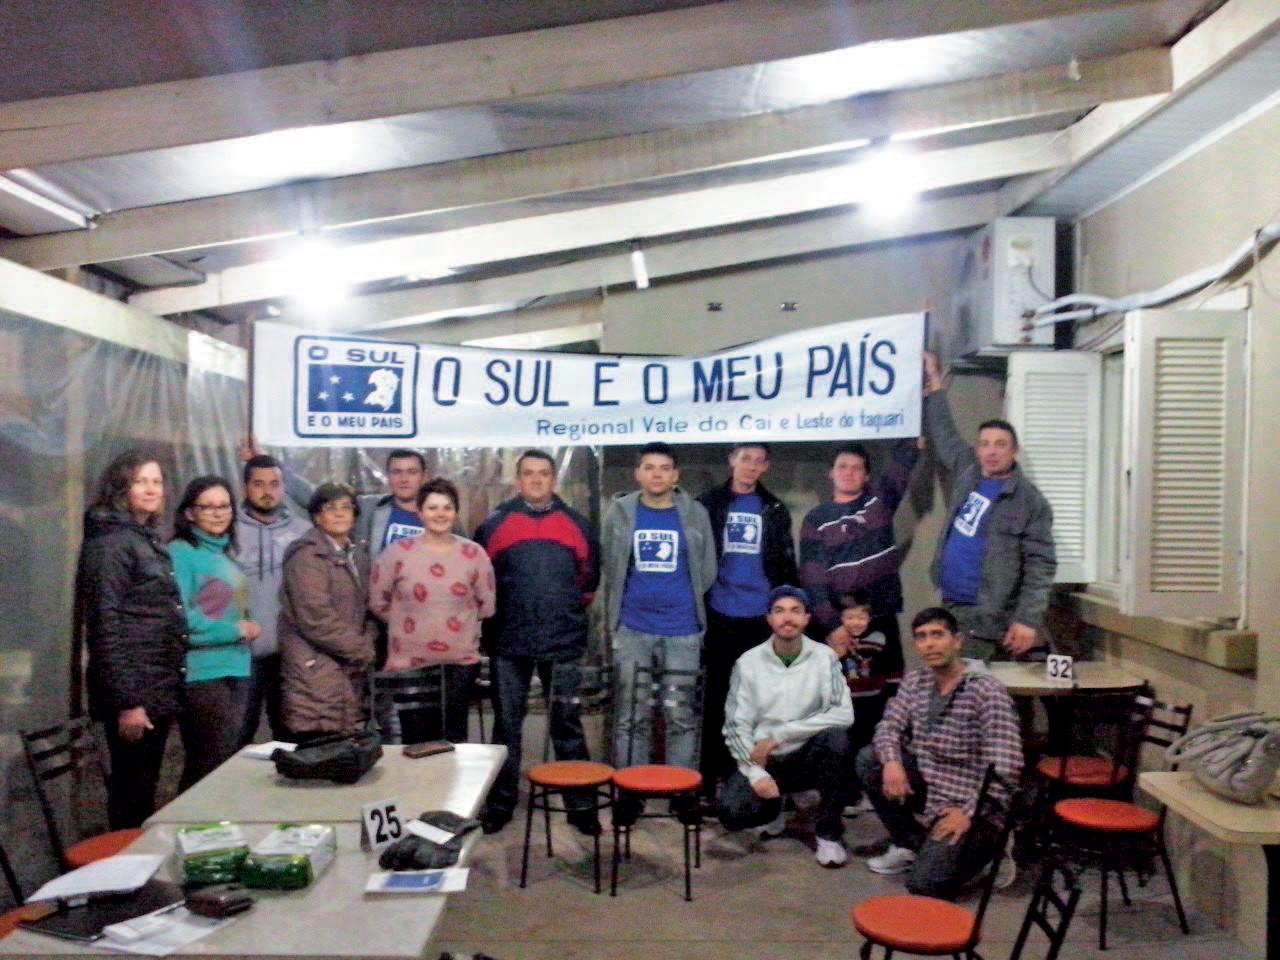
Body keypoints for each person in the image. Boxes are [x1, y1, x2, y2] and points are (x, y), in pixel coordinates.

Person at [472, 450, 601, 836]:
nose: (536, 480)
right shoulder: (495, 525)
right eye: (528, 474)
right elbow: (483, 580)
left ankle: (581, 806)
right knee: (507, 728)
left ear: (553, 479)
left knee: (567, 725)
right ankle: (500, 805)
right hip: (509, 644)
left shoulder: (577, 525)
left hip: (562, 643)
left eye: (543, 473)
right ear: (518, 480)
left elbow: (588, 583)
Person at [855, 607, 1022, 899]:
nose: (929, 644)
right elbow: (888, 726)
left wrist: (968, 813)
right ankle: (915, 844)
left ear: (957, 641)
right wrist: (892, 762)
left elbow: (1006, 767)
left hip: (976, 804)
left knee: (924, 885)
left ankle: (994, 848)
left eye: (937, 635)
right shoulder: (915, 682)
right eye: (921, 637)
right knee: (871, 760)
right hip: (934, 788)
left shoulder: (986, 691)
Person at [77, 450, 187, 829]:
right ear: (121, 487)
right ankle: (125, 867)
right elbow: (105, 625)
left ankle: (138, 861)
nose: (151, 489)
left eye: (157, 481)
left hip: (153, 686)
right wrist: (128, 702)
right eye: (141, 481)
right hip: (134, 692)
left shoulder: (142, 538)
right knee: (132, 794)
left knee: (144, 790)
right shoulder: (111, 544)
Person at [922, 352, 1056, 660]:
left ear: (1014, 451)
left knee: (971, 682)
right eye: (985, 444)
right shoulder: (968, 469)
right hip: (951, 604)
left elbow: (1041, 565)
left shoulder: (1029, 500)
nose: (991, 452)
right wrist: (935, 381)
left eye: (1000, 445)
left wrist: (1027, 620)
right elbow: (944, 433)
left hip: (987, 614)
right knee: (950, 679)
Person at [718, 586, 853, 868]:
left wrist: (781, 734)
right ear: (769, 619)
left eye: (795, 611)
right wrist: (756, 773)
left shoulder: (824, 657)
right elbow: (735, 725)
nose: (787, 618)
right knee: (732, 813)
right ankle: (776, 804)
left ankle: (828, 834)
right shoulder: (748, 662)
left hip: (808, 754)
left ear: (806, 618)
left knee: (837, 739)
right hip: (766, 758)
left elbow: (843, 713)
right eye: (779, 611)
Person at [603, 442, 717, 771]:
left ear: (675, 475)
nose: (657, 475)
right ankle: (631, 788)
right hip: (633, 629)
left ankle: (679, 790)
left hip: (682, 630)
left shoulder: (695, 514)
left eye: (664, 468)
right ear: (638, 474)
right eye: (649, 468)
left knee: (680, 716)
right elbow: (611, 566)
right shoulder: (620, 512)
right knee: (630, 716)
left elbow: (707, 568)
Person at [696, 442, 797, 797]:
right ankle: (708, 781)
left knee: (760, 705)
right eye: (744, 459)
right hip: (720, 615)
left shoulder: (774, 509)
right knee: (716, 702)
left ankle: (753, 783)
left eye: (758, 461)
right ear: (731, 461)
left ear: (766, 466)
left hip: (760, 619)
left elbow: (786, 566)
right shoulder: (708, 504)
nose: (750, 466)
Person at [369, 477, 496, 744]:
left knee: (454, 739)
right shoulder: (396, 554)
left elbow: (487, 605)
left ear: (456, 512)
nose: (440, 514)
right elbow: (377, 601)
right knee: (416, 740)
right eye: (432, 507)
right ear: (420, 512)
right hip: (409, 662)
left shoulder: (474, 554)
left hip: (459, 663)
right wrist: (410, 624)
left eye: (447, 507)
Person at [798, 438, 918, 685]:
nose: (849, 473)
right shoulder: (816, 519)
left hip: (881, 616)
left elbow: (902, 463)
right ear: (831, 473)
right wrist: (833, 625)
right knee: (841, 691)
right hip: (840, 622)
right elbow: (812, 578)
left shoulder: (878, 504)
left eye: (856, 468)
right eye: (842, 466)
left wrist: (917, 426)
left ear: (866, 476)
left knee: (889, 688)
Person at [169, 476, 258, 788]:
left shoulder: (223, 554)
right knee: (208, 767)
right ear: (189, 513)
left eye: (224, 506)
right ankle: (188, 819)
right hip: (203, 673)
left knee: (223, 765)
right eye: (208, 507)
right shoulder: (180, 553)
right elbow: (180, 618)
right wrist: (234, 630)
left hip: (236, 668)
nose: (218, 513)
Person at [278, 483, 378, 741]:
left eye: (346, 507)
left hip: (346, 665)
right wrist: (362, 649)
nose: (339, 513)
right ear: (316, 516)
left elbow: (367, 607)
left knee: (344, 746)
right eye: (330, 508)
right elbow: (315, 618)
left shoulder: (357, 554)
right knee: (319, 747)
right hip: (315, 666)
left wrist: (369, 638)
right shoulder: (307, 556)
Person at [233, 453, 310, 745]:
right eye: (259, 484)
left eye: (275, 484)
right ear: (245, 487)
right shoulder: (227, 530)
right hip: (241, 654)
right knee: (237, 736)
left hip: (289, 654)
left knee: (292, 738)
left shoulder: (303, 532)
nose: (267, 491)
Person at [825, 590, 891, 798]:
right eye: (850, 618)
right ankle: (851, 793)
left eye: (861, 618)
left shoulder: (878, 639)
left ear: (869, 618)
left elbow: (887, 669)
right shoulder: (834, 642)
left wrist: (889, 696)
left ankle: (872, 789)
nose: (856, 623)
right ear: (841, 619)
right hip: (847, 704)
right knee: (847, 748)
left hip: (873, 703)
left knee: (871, 745)